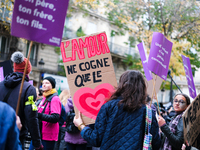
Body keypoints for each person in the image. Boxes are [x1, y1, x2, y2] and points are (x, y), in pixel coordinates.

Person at [73, 70, 161, 149]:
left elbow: (96, 140)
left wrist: (81, 126)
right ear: (142, 88)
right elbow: (156, 144)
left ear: (122, 85)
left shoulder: (108, 107)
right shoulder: (148, 112)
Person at [0, 51, 43, 150]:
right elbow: (31, 116)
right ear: (27, 70)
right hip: (17, 134)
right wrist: (37, 143)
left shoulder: (1, 84)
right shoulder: (29, 88)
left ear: (15, 67)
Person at [37, 76, 61, 150]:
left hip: (48, 136)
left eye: (47, 83)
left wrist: (39, 115)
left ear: (52, 85)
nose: (44, 85)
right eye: (43, 83)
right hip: (39, 133)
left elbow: (55, 118)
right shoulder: (44, 97)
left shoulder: (55, 99)